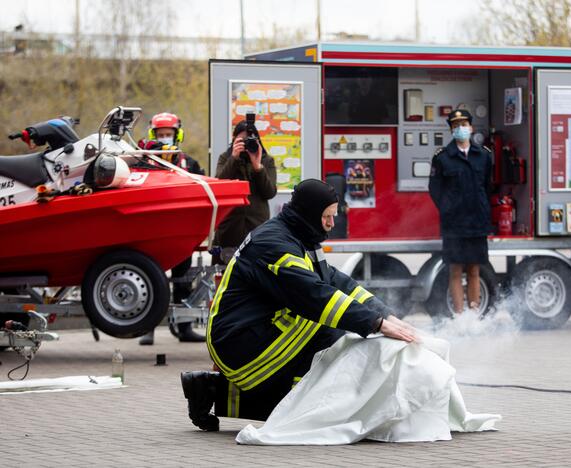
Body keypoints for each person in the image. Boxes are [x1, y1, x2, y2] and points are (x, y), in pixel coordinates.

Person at [180, 179, 416, 431]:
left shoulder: (300, 234)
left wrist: (385, 314)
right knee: (328, 333)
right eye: (326, 216)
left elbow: (335, 281)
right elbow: (314, 295)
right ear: (310, 213)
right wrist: (374, 324)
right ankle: (328, 402)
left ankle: (209, 389)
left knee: (316, 363)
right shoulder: (274, 245)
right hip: (240, 343)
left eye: (333, 216)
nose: (331, 223)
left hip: (256, 334)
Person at [139, 112, 206, 345]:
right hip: (153, 232)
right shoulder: (144, 162)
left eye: (169, 135)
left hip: (181, 233)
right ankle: (148, 329)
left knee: (183, 280)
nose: (165, 138)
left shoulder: (190, 164)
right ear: (153, 135)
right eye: (161, 135)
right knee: (151, 281)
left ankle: (184, 326)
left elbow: (204, 192)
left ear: (177, 135)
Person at [428, 110, 492, 315]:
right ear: (451, 130)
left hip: (477, 223)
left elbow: (489, 186)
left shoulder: (483, 155)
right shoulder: (443, 157)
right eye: (455, 126)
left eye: (463, 124)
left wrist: (481, 206)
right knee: (455, 270)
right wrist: (448, 209)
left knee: (474, 269)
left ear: (471, 128)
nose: (460, 129)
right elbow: (434, 189)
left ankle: (473, 315)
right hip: (454, 224)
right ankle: (460, 315)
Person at [212, 118, 277, 264]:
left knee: (257, 271)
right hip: (229, 228)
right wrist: (233, 158)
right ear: (234, 140)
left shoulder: (266, 161)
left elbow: (270, 192)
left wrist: (257, 167)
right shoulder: (226, 158)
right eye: (242, 140)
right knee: (225, 273)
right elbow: (219, 184)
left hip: (257, 227)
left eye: (250, 140)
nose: (246, 144)